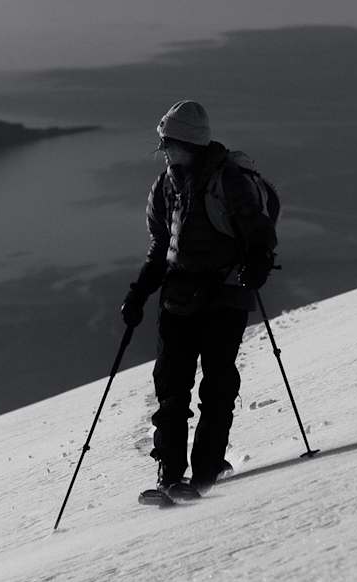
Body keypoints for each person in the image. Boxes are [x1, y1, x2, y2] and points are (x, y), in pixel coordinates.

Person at [120, 100, 277, 497]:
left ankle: (205, 473)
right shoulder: (167, 185)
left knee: (217, 384)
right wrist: (139, 293)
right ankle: (170, 476)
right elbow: (162, 247)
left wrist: (255, 266)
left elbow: (258, 234)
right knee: (171, 388)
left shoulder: (228, 181)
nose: (165, 152)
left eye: (169, 144)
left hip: (223, 297)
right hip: (178, 299)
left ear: (188, 142)